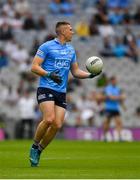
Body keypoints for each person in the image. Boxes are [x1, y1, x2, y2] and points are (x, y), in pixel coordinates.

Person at [29, 21, 101, 167]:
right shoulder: (46, 46)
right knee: (49, 119)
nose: (72, 32)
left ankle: (40, 150)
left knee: (57, 124)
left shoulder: (71, 50)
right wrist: (49, 74)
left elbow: (75, 72)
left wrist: (89, 75)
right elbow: (34, 67)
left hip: (61, 92)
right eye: (70, 29)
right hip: (46, 87)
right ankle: (34, 146)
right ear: (62, 32)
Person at [102, 76, 126, 141]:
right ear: (111, 81)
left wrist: (123, 106)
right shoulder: (108, 88)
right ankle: (104, 136)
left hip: (115, 108)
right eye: (114, 80)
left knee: (119, 122)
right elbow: (111, 97)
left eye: (116, 80)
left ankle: (120, 137)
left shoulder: (117, 89)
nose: (115, 81)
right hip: (109, 108)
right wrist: (119, 97)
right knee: (107, 123)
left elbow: (122, 98)